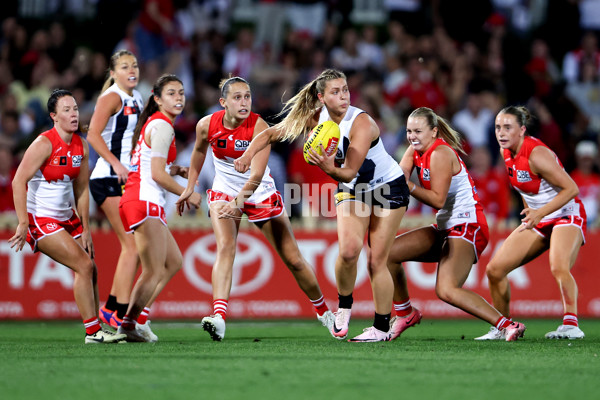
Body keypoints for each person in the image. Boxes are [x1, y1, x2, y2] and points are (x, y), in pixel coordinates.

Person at [235, 69, 410, 342]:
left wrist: (326, 166)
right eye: (336, 92)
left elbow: (349, 171)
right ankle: (344, 306)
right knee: (350, 251)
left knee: (377, 260)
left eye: (346, 90)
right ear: (321, 97)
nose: (344, 96)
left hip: (388, 187)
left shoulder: (361, 123)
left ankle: (382, 327)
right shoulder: (317, 117)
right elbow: (270, 134)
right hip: (354, 191)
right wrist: (247, 155)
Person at [176, 76, 334, 341]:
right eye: (237, 97)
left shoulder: (259, 126)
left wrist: (239, 202)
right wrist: (190, 186)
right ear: (223, 103)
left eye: (247, 96)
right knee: (226, 247)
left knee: (294, 260)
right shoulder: (206, 125)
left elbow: (257, 175)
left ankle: (324, 311)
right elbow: (198, 153)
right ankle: (219, 318)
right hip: (224, 190)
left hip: (259, 193)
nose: (244, 102)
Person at [387, 107, 526, 342]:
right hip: (446, 226)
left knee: (446, 290)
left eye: (418, 131)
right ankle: (405, 314)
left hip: (469, 224)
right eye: (409, 131)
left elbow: (437, 199)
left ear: (433, 131)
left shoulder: (440, 152)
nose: (412, 136)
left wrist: (407, 186)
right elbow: (397, 183)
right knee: (387, 254)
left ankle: (508, 325)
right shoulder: (414, 150)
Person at [8, 89, 126, 344]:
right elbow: (19, 181)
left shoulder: (81, 145)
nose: (73, 114)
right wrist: (23, 222)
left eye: (74, 108)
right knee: (83, 266)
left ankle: (98, 328)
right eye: (66, 110)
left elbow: (81, 189)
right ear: (54, 116)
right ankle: (92, 332)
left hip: (67, 217)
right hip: (41, 219)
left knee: (91, 268)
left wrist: (85, 227)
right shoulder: (43, 144)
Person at [477, 106, 587, 340]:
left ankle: (571, 325)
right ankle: (503, 326)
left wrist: (539, 213)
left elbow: (571, 188)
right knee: (494, 270)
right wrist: (530, 206)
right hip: (541, 216)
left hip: (566, 212)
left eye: (508, 127)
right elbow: (522, 183)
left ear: (522, 130)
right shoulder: (505, 151)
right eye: (498, 127)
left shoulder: (536, 153)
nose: (501, 132)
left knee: (558, 266)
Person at [116, 74, 201, 342]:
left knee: (173, 261)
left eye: (181, 93)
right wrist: (188, 193)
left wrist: (176, 170)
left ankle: (138, 319)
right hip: (144, 199)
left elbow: (156, 167)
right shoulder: (164, 126)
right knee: (152, 270)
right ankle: (128, 324)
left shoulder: (156, 124)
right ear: (157, 99)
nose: (179, 98)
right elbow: (155, 175)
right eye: (172, 93)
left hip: (139, 198)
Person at [87, 50, 152, 335]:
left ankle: (112, 309)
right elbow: (92, 134)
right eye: (125, 67)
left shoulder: (136, 97)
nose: (132, 70)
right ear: (113, 73)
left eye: (134, 65)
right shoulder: (112, 97)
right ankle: (119, 311)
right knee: (133, 246)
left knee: (135, 247)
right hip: (108, 177)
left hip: (125, 178)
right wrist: (116, 164)